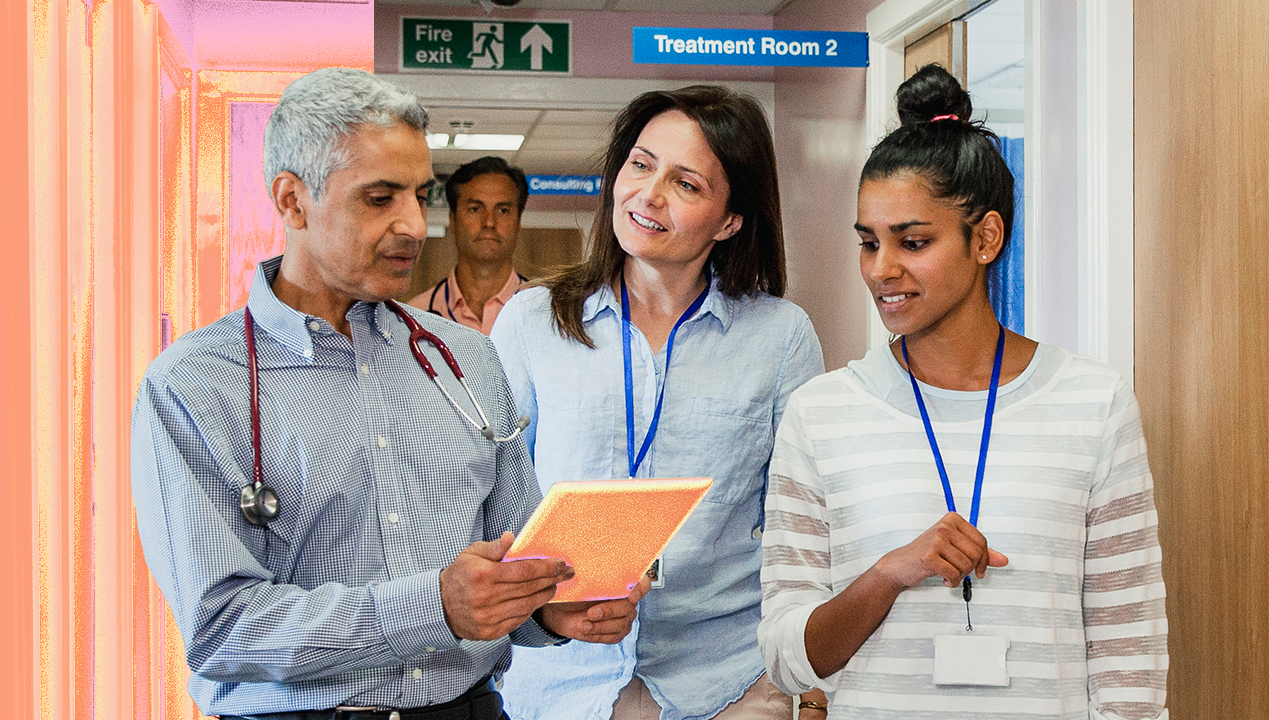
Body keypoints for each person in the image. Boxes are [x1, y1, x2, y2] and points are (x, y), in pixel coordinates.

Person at [130, 67, 646, 720]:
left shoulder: (467, 360)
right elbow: (222, 627)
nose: (412, 225)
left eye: (419, 195)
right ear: (291, 200)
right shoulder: (195, 386)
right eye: (379, 198)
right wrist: (434, 605)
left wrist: (550, 604)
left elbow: (519, 554)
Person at [758, 64, 1168, 719]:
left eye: (913, 242)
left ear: (986, 238)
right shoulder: (822, 414)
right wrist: (890, 573)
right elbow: (786, 656)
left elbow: (1130, 655)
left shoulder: (1094, 403)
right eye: (869, 243)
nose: (882, 269)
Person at [489, 86, 830, 720]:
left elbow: (804, 526)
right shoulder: (531, 323)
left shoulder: (779, 337)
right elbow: (493, 503)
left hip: (727, 680)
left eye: (687, 184)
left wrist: (808, 688)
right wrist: (538, 609)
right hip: (560, 681)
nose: (649, 194)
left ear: (731, 220)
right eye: (641, 165)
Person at [408, 156, 528, 335]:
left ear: (518, 223)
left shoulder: (547, 314)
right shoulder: (415, 317)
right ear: (452, 221)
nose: (489, 222)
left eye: (503, 211)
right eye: (475, 209)